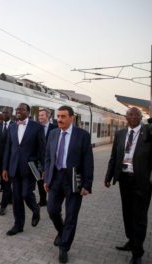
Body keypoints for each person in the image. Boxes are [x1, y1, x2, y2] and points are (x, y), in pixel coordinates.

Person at [105, 107, 152, 264]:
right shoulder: (120, 134)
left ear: (141, 117)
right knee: (127, 214)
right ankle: (131, 240)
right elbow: (114, 156)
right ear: (126, 117)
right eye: (130, 114)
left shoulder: (149, 134)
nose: (133, 117)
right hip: (124, 179)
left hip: (142, 182)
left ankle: (138, 252)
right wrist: (109, 176)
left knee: (139, 217)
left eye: (137, 115)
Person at [44, 105, 93, 263]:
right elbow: (48, 158)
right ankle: (62, 231)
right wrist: (46, 178)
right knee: (52, 210)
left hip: (73, 178)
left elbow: (88, 160)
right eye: (58, 116)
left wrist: (87, 184)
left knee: (71, 215)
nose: (59, 119)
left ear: (72, 118)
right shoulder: (53, 133)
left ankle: (64, 248)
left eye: (63, 116)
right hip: (56, 177)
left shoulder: (82, 135)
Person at [2, 103, 45, 236]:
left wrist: (43, 168)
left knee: (26, 194)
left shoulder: (37, 127)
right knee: (16, 198)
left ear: (28, 111)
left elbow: (42, 149)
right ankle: (18, 225)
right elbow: (8, 148)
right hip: (14, 167)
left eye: (21, 109)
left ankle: (36, 209)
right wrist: (4, 168)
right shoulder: (13, 126)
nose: (18, 111)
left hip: (29, 168)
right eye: (17, 109)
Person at [0, 108, 14, 215]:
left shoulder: (16, 125)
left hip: (12, 160)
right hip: (1, 160)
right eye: (3, 112)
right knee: (6, 183)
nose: (4, 114)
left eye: (6, 112)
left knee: (7, 183)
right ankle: (9, 199)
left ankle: (4, 206)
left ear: (11, 114)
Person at [37, 108, 57, 206]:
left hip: (51, 159)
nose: (40, 117)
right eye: (39, 115)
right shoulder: (36, 127)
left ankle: (53, 199)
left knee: (51, 180)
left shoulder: (55, 128)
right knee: (40, 180)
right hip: (39, 160)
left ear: (48, 116)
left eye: (42, 115)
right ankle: (43, 200)